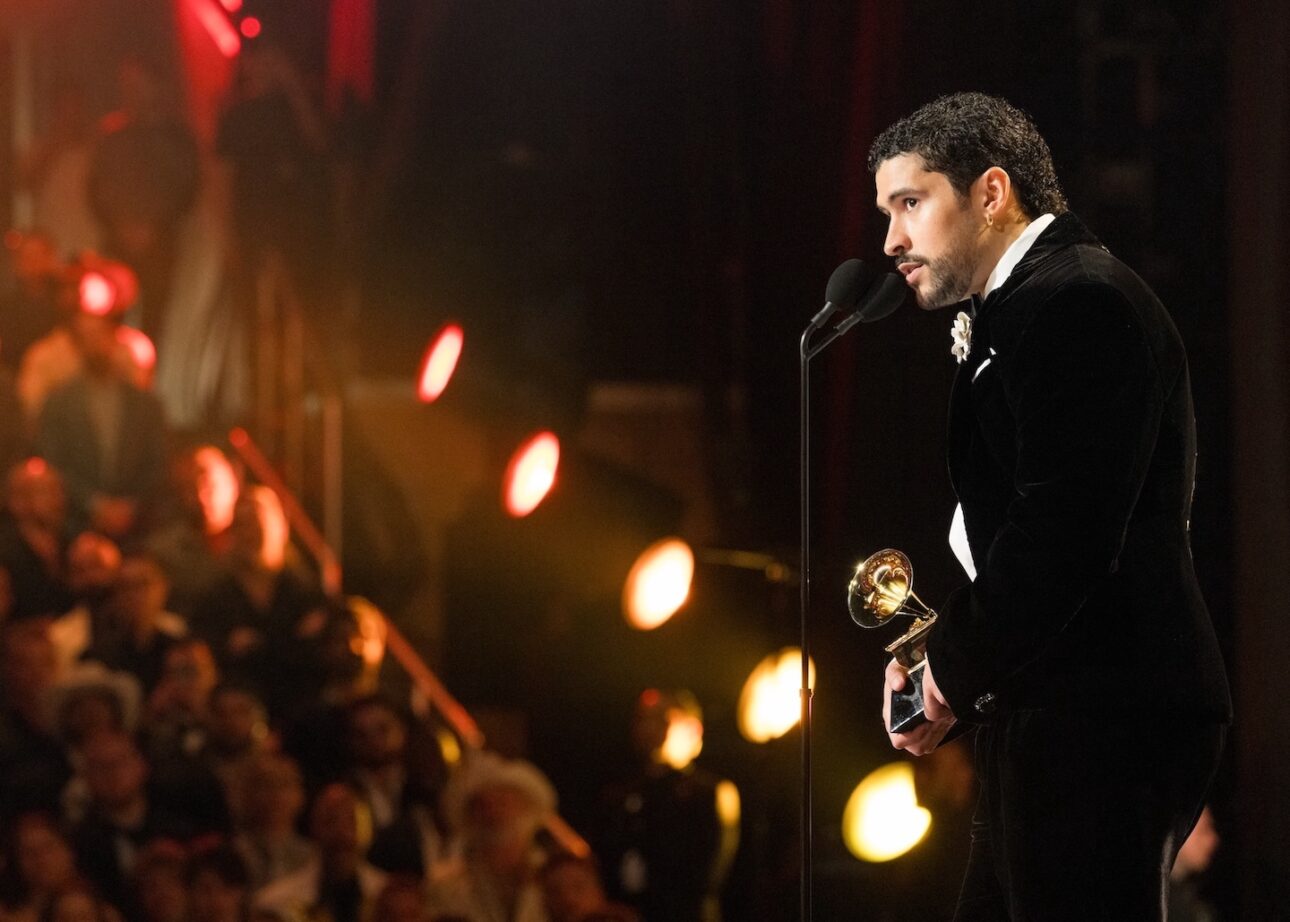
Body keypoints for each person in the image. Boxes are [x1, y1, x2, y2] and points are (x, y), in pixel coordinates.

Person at [867, 92, 1231, 919]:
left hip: (1104, 721)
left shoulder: (1079, 303)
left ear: (991, 193)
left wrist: (950, 671)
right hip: (1057, 715)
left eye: (910, 203)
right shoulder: (1034, 305)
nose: (890, 240)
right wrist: (942, 663)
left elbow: (1062, 533)